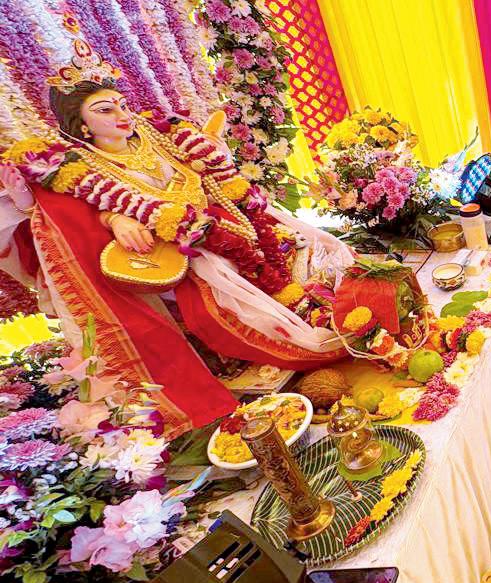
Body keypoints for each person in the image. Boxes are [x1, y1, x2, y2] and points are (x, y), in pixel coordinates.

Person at [0, 43, 352, 436]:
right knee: (218, 274)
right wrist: (114, 217)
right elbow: (70, 218)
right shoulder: (78, 166)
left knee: (302, 238)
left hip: (225, 216)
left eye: (120, 103)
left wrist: (220, 167)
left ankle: (318, 303)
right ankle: (281, 341)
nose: (122, 115)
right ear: (81, 126)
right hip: (177, 246)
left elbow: (209, 174)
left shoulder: (158, 134)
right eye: (104, 110)